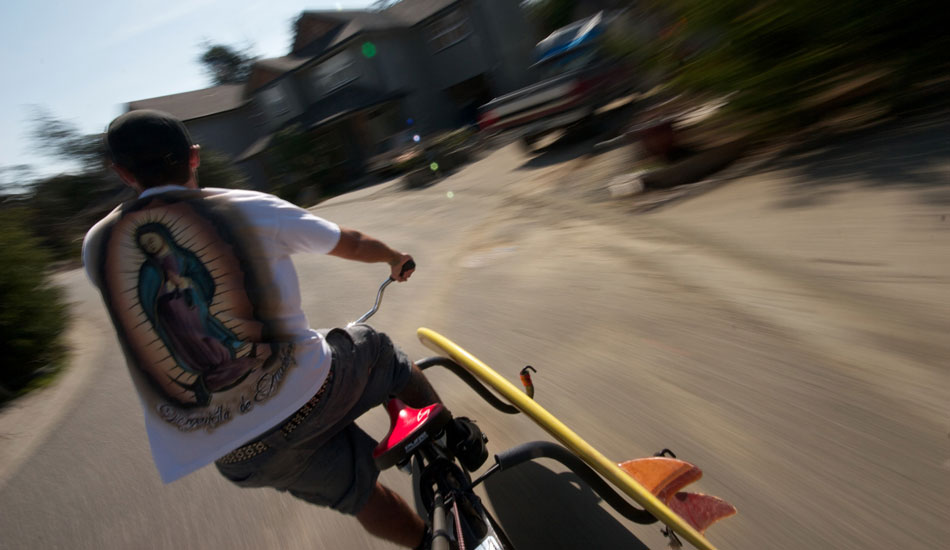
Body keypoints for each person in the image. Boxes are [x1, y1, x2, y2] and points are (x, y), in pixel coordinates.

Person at [82, 109, 440, 548]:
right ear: (193, 157)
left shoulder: (97, 246)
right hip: (312, 395)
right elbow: (350, 241)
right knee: (375, 348)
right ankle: (449, 440)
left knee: (360, 495)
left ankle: (431, 545)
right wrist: (393, 257)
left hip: (236, 453)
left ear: (121, 172)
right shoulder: (245, 206)